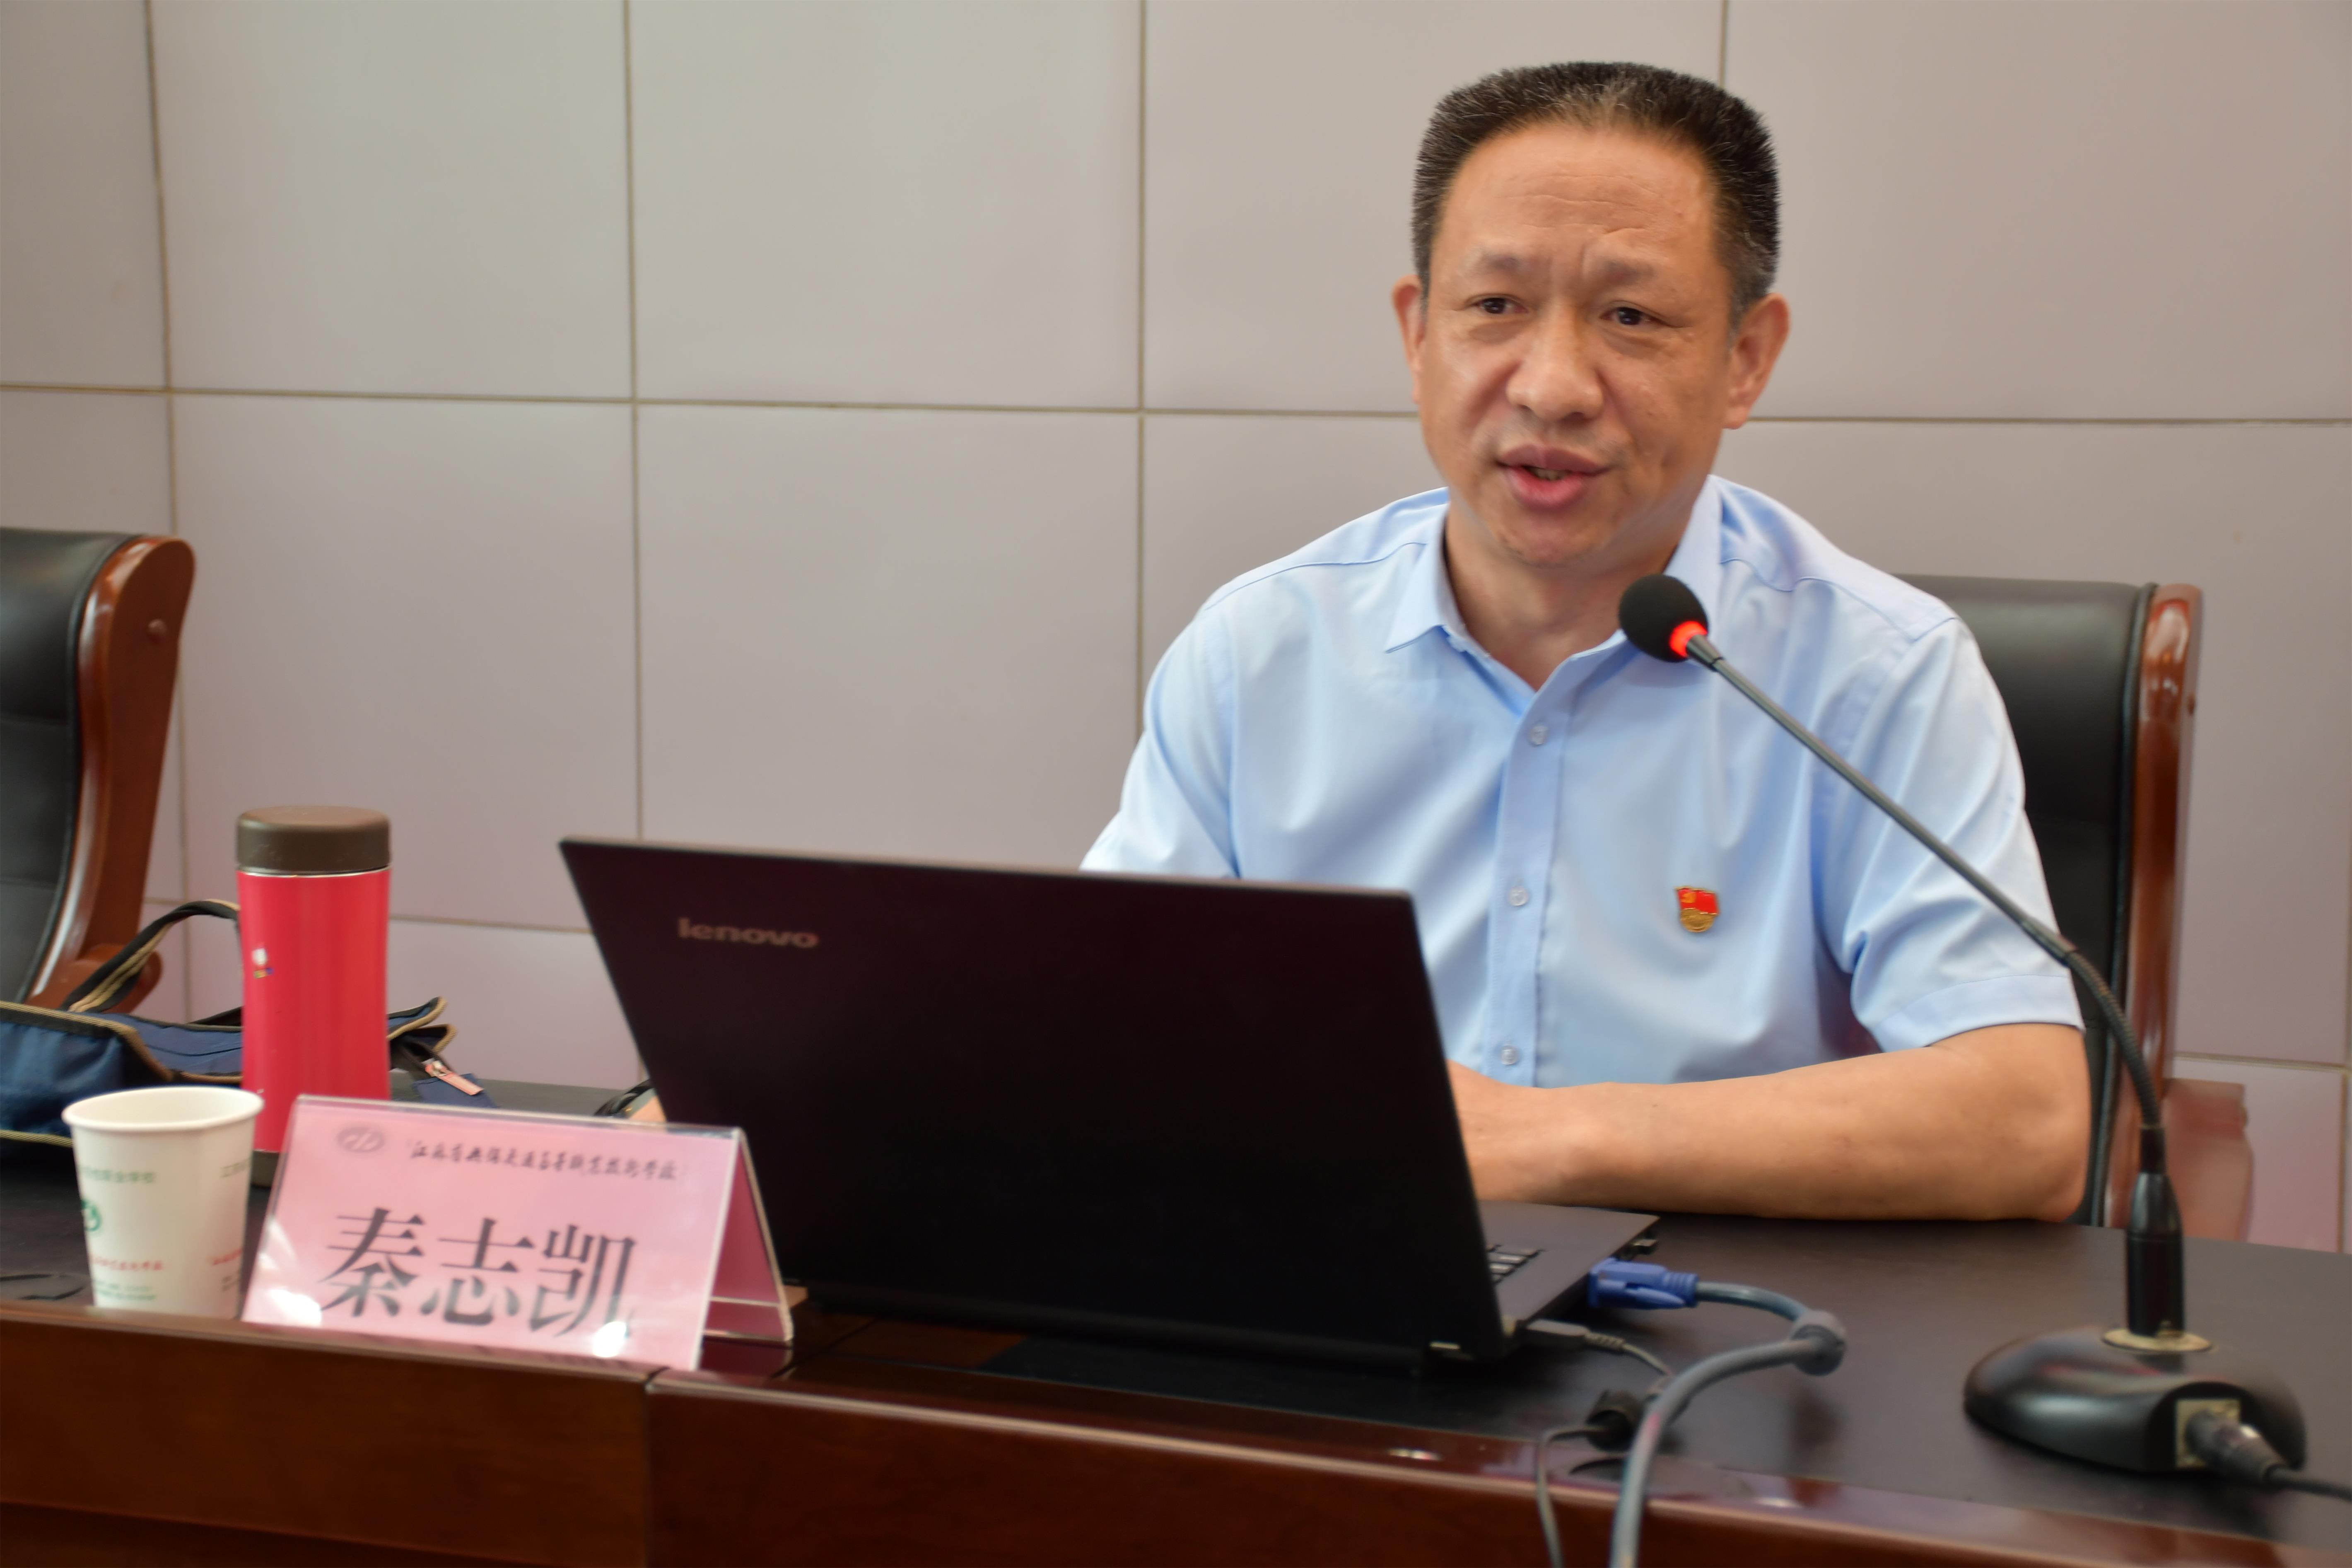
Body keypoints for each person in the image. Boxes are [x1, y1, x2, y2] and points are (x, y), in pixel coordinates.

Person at [1084, 63, 2089, 1223]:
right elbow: (1101, 1037)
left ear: (1747, 359)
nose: (1553, 388)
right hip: (1342, 1285)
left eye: (1631, 317)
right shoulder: (1260, 651)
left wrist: (1554, 1141)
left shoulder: (1875, 672)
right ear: (1417, 334)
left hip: (1721, 1307)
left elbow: (2030, 1123)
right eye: (1495, 307)